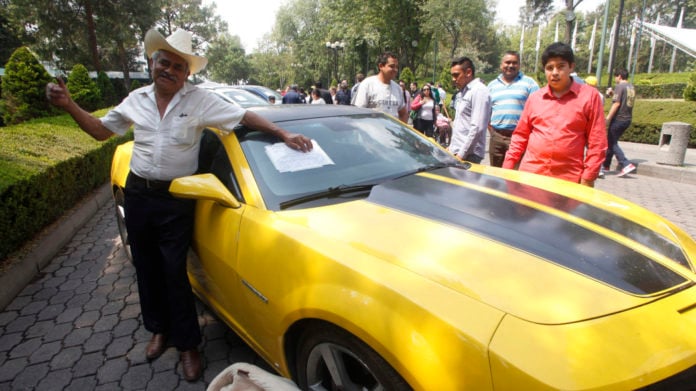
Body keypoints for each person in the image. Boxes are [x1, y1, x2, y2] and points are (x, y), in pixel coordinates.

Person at [45, 28, 312, 382]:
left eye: (177, 66)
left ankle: (188, 345)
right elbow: (99, 130)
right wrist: (68, 105)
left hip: (176, 198)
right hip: (139, 192)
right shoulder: (136, 99)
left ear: (187, 74)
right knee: (146, 266)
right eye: (163, 62)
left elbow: (244, 116)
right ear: (152, 63)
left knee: (174, 271)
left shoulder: (200, 101)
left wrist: (282, 134)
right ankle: (158, 330)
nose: (169, 70)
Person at [503, 42, 607, 187]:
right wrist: (507, 168)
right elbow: (520, 135)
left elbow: (597, 142)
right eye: (549, 68)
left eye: (561, 66)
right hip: (531, 175)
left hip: (568, 179)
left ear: (571, 67)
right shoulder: (535, 98)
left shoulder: (589, 96)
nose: (555, 73)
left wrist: (588, 178)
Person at [487, 51, 539, 167]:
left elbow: (537, 111)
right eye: (507, 62)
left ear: (519, 65)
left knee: (517, 175)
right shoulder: (491, 86)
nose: (510, 65)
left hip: (519, 138)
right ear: (501, 65)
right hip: (497, 138)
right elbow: (487, 113)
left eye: (514, 63)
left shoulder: (530, 84)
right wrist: (493, 132)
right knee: (496, 174)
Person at [447, 56, 491, 163]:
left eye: (456, 75)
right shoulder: (463, 92)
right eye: (452, 75)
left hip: (469, 156)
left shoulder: (479, 91)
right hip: (457, 152)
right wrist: (451, 148)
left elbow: (477, 128)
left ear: (468, 72)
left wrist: (461, 155)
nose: (453, 79)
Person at [353, 51, 408, 122]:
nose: (395, 70)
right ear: (381, 66)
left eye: (396, 67)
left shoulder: (398, 88)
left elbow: (403, 113)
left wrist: (401, 130)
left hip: (392, 132)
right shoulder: (367, 84)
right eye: (392, 66)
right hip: (372, 132)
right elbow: (358, 113)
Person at [601, 68, 636, 178]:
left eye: (616, 76)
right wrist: (613, 94)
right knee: (612, 141)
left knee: (611, 142)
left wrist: (607, 118)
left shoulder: (620, 86)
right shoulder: (631, 87)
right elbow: (624, 101)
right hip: (627, 118)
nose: (615, 79)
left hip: (619, 118)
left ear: (619, 76)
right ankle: (606, 165)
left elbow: (616, 104)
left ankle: (625, 163)